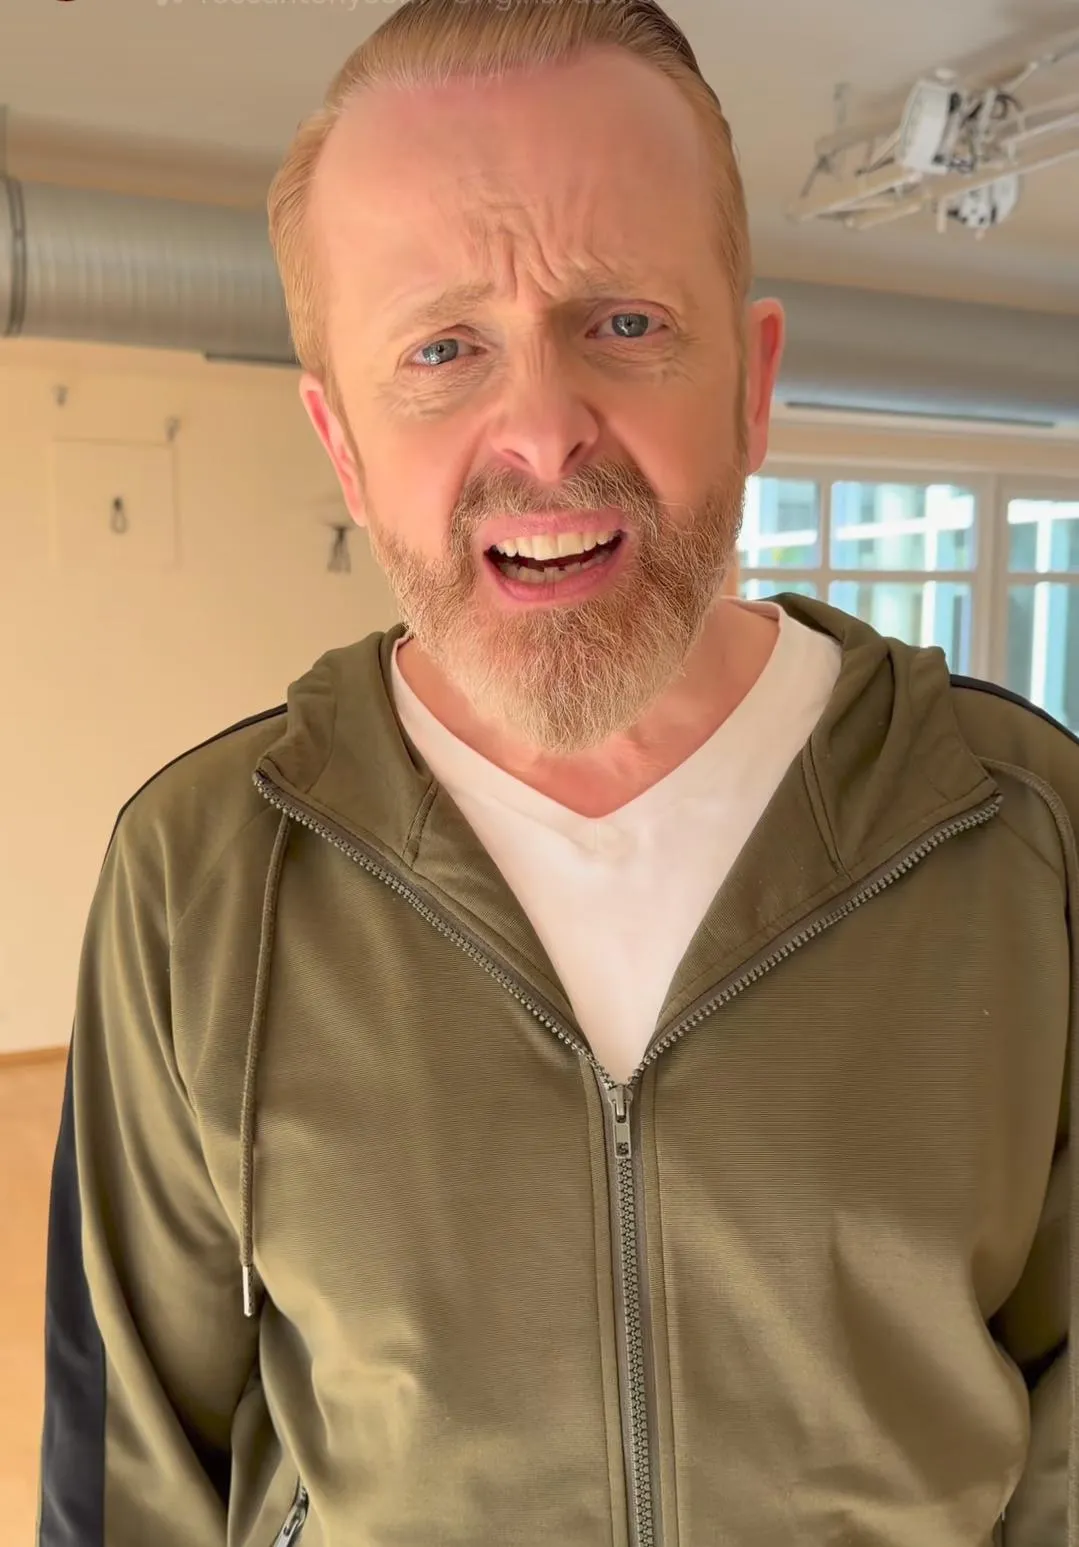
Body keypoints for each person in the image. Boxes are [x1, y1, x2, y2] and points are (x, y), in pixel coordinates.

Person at [36, 1, 1077, 1543]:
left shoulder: (1022, 826)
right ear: (342, 442)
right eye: (441, 348)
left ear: (751, 384)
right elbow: (130, 1469)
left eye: (626, 323)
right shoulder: (198, 875)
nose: (538, 432)